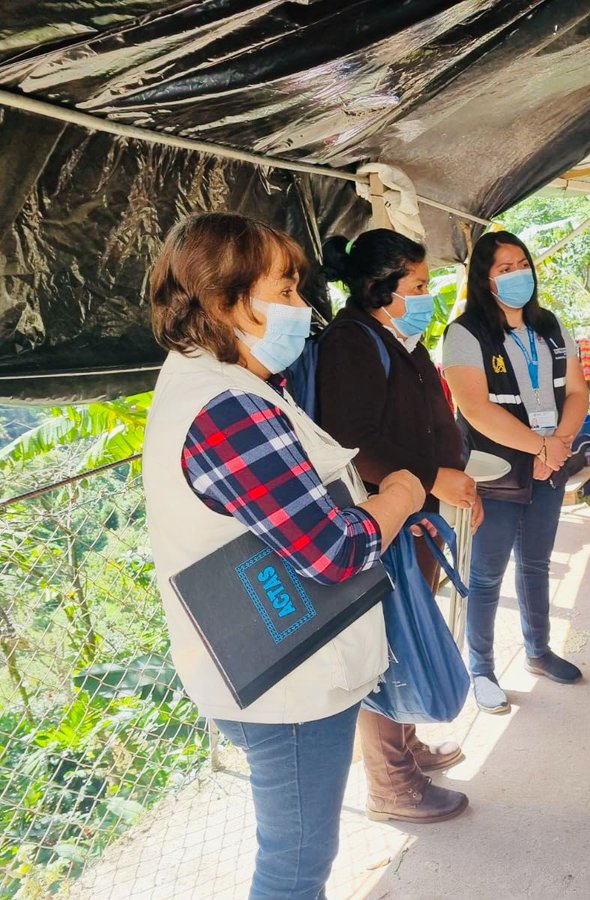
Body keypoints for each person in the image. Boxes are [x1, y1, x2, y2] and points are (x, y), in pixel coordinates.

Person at [142, 213, 427, 898]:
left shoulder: (217, 382)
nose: (304, 309)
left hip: (280, 671)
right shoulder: (226, 406)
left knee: (298, 856)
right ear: (222, 301)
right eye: (287, 291)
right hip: (287, 687)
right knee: (295, 867)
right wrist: (401, 496)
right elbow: (332, 550)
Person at [315, 228, 476, 824]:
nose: (427, 294)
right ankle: (392, 785)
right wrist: (433, 480)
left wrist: (442, 481)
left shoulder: (396, 335)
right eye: (419, 285)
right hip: (384, 519)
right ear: (380, 288)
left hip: (412, 514)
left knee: (406, 631)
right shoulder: (350, 344)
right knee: (386, 646)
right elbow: (354, 440)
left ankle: (405, 749)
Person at [441, 231, 589, 714]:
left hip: (549, 464)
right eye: (503, 268)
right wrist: (541, 447)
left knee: (536, 563)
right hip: (496, 471)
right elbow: (475, 408)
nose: (516, 273)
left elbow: (577, 393)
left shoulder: (549, 325)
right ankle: (480, 669)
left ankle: (538, 651)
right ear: (484, 277)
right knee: (486, 574)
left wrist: (557, 445)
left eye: (521, 263)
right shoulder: (465, 332)